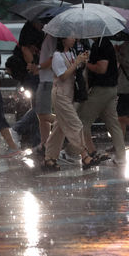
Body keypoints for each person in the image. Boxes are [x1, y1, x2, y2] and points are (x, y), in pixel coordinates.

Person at [42, 37, 99, 171]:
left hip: (70, 94)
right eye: (70, 36)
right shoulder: (57, 56)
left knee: (59, 128)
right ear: (63, 39)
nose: (74, 39)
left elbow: (76, 71)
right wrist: (76, 63)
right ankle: (84, 155)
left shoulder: (72, 53)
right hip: (60, 95)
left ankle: (49, 158)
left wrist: (82, 61)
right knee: (75, 124)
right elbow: (62, 76)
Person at [77, 36, 126, 165]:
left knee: (82, 121)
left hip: (101, 90)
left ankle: (76, 151)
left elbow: (102, 68)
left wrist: (86, 62)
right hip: (110, 89)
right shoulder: (99, 44)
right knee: (112, 123)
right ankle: (121, 156)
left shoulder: (102, 45)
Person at [24, 34, 57, 154]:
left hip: (48, 80)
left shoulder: (52, 38)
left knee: (43, 114)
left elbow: (53, 58)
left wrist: (37, 67)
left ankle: (66, 123)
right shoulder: (49, 38)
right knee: (42, 115)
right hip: (45, 79)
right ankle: (45, 144)